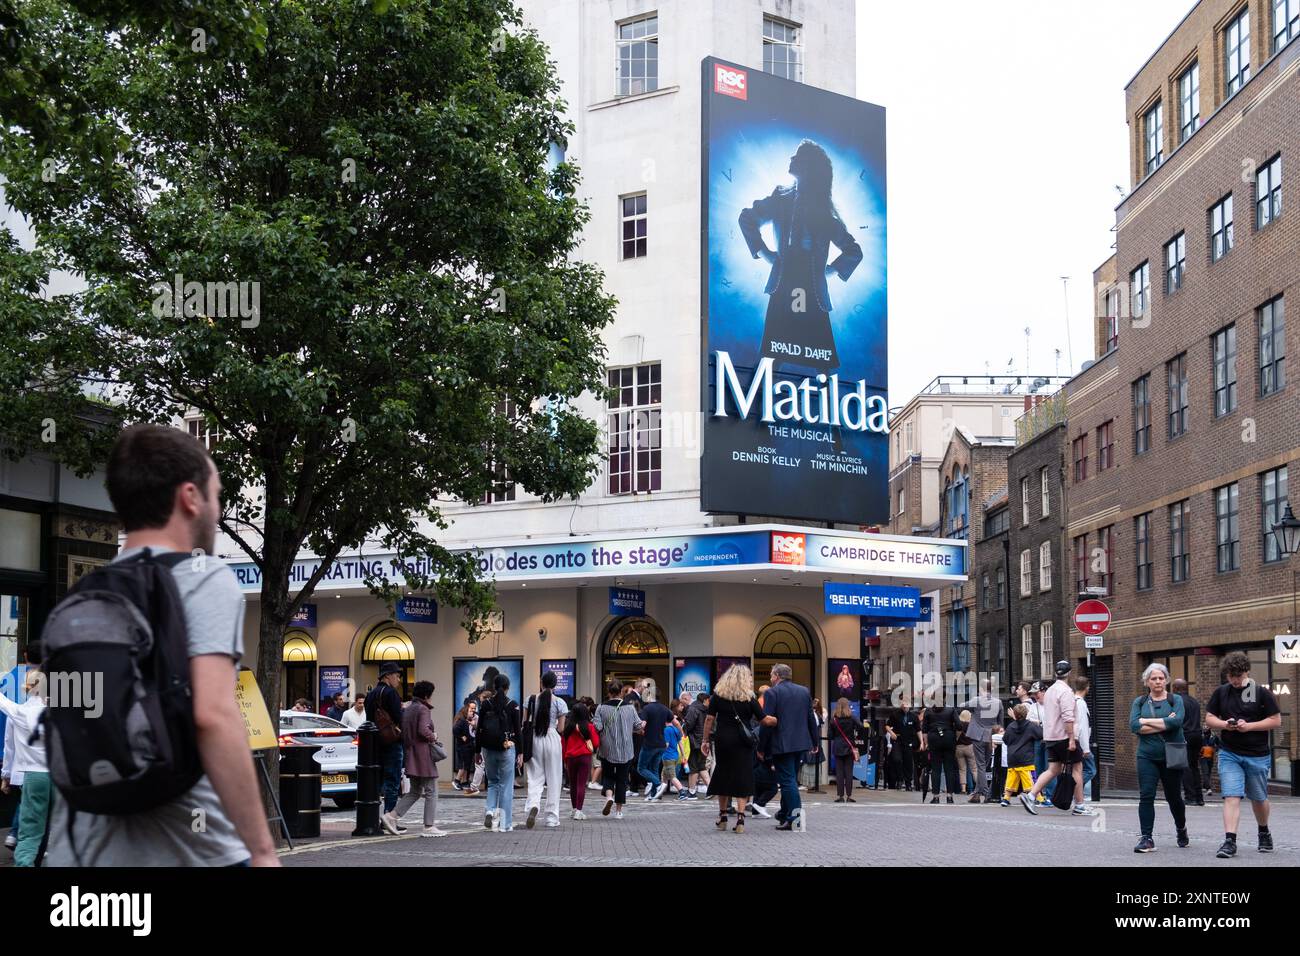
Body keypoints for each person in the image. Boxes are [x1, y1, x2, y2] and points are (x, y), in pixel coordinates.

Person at [45, 424, 277, 867]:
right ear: (190, 498)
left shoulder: (84, 594)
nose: (218, 508)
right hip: (189, 850)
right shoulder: (203, 577)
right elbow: (213, 715)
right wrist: (263, 851)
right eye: (216, 494)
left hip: (78, 852)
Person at [738, 139, 863, 374]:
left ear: (809, 166)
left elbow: (854, 250)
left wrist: (830, 270)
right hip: (784, 280)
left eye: (798, 156)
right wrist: (764, 252)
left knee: (820, 358)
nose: (792, 159)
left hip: (812, 286)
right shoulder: (780, 199)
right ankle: (755, 395)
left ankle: (822, 395)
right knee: (772, 353)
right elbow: (747, 217)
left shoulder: (823, 214)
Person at [1205, 651, 1281, 858]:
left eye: (1238, 676)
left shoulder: (1262, 693)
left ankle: (1264, 831)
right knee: (1231, 795)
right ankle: (1229, 841)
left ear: (1247, 672)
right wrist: (1224, 724)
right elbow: (1209, 718)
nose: (1235, 680)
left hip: (1257, 754)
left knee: (1258, 798)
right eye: (1231, 676)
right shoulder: (1221, 692)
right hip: (1230, 753)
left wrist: (1249, 726)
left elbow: (1276, 720)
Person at [1127, 662, 1188, 853]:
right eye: (1153, 678)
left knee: (1174, 797)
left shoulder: (1175, 700)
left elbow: (1177, 722)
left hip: (1172, 755)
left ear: (1167, 680)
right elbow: (1134, 726)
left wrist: (1146, 721)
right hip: (1147, 756)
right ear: (1147, 682)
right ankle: (1147, 838)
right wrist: (1165, 723)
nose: (1158, 681)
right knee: (1146, 795)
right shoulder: (1139, 702)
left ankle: (1181, 828)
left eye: (1161, 678)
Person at [702, 664, 765, 833]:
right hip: (743, 741)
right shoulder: (749, 698)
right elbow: (763, 719)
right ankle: (741, 819)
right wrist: (778, 720)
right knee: (742, 775)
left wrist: (705, 741)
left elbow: (709, 719)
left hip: (723, 740)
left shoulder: (718, 696)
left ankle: (723, 817)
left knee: (723, 774)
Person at [758, 663, 820, 831]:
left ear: (777, 676)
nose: (770, 678)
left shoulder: (772, 693)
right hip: (800, 743)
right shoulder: (803, 691)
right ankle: (784, 814)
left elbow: (767, 722)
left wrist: (761, 747)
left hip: (781, 744)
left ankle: (795, 818)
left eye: (771, 675)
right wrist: (815, 742)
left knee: (787, 781)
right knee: (790, 779)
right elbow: (810, 718)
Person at [1018, 662, 1085, 817]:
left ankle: (1030, 796)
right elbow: (1068, 717)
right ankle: (1080, 805)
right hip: (1063, 737)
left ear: (1055, 673)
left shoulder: (1050, 692)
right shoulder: (1066, 691)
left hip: (1050, 737)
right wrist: (1072, 739)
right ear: (1069, 673)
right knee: (1077, 768)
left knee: (1053, 769)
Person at [0, 669, 48, 866]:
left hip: (33, 776)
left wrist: (5, 775)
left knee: (29, 832)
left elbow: (9, 747)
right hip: (58, 777)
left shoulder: (19, 712)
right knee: (46, 828)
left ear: (26, 689)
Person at [392, 681, 444, 837]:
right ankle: (429, 826)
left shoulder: (408, 709)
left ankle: (391, 816)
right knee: (431, 790)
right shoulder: (423, 709)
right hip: (423, 755)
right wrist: (433, 736)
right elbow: (423, 730)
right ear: (427, 695)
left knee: (414, 791)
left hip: (411, 753)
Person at [477, 672, 522, 832]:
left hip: (488, 749)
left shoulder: (486, 704)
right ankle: (505, 824)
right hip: (506, 748)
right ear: (507, 688)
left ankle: (490, 811)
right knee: (506, 786)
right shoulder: (512, 705)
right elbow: (518, 730)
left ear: (494, 687)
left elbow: (479, 729)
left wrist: (477, 751)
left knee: (493, 783)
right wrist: (521, 752)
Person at [366, 662, 407, 834]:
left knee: (376, 781)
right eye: (396, 675)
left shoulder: (371, 695)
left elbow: (368, 719)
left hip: (374, 742)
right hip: (391, 741)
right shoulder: (391, 693)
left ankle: (370, 819)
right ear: (387, 676)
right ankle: (389, 819)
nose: (398, 679)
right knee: (392, 781)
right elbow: (398, 717)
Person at [524, 670, 568, 829]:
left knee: (535, 777)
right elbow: (561, 728)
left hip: (535, 738)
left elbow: (525, 723)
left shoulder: (530, 699)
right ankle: (551, 817)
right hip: (552, 738)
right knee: (554, 778)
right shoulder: (560, 702)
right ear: (555, 685)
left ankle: (533, 804)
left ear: (541, 683)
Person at [594, 681, 643, 820]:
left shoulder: (601, 707)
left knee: (608, 775)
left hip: (607, 748)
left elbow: (597, 727)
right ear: (621, 691)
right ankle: (619, 811)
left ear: (608, 692)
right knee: (622, 779)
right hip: (626, 749)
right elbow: (638, 726)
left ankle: (609, 797)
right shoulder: (630, 708)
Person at [960, 678, 1000, 802]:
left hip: (978, 736)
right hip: (991, 737)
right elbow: (1000, 723)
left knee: (981, 766)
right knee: (984, 765)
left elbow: (961, 706)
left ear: (980, 689)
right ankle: (977, 795)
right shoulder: (998, 702)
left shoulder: (976, 700)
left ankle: (987, 794)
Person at [635, 683, 672, 802]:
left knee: (641, 768)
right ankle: (655, 795)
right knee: (654, 769)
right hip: (661, 744)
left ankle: (658, 784)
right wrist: (681, 733)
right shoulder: (665, 708)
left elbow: (643, 724)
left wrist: (637, 730)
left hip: (649, 743)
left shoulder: (647, 709)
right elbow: (673, 721)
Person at [561, 703, 599, 820]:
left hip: (570, 757)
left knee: (573, 785)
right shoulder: (589, 727)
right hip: (584, 757)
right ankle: (579, 810)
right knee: (581, 784)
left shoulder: (568, 728)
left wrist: (564, 759)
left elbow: (563, 745)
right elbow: (596, 743)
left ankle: (574, 809)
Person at [999, 704, 1041, 806]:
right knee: (1031, 780)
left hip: (1012, 758)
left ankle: (1006, 799)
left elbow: (1005, 740)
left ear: (1014, 714)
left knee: (1011, 780)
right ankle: (1040, 798)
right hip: (1026, 758)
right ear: (1026, 714)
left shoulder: (1010, 726)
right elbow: (1040, 735)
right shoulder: (1030, 726)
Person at [919, 698, 960, 804]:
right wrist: (955, 738)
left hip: (934, 739)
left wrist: (926, 743)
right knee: (949, 769)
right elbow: (959, 726)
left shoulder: (928, 711)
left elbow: (924, 730)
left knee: (935, 769)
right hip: (949, 738)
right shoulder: (951, 710)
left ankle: (936, 797)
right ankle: (950, 797)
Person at [1171, 678, 1204, 807]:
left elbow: (1175, 721)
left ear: (1175, 688)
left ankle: (1190, 797)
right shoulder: (1194, 701)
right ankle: (1199, 797)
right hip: (1197, 735)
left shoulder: (1177, 701)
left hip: (1184, 735)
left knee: (1185, 767)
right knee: (1194, 766)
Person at [828, 697, 866, 802]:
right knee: (849, 772)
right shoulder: (852, 717)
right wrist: (855, 735)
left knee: (839, 772)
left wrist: (836, 736)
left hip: (838, 747)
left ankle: (840, 796)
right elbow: (861, 726)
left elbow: (829, 735)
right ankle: (849, 796)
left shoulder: (834, 719)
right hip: (849, 746)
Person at [886, 697, 921, 791]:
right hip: (898, 740)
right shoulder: (895, 715)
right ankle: (899, 779)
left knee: (908, 762)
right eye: (903, 704)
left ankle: (908, 783)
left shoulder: (914, 716)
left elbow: (918, 730)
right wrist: (891, 733)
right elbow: (887, 726)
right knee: (897, 759)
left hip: (909, 741)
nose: (905, 706)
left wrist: (921, 742)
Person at [680, 692, 709, 799]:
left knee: (693, 767)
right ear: (704, 700)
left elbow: (688, 725)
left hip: (694, 742)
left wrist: (683, 732)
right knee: (701, 766)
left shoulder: (693, 709)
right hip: (704, 742)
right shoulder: (706, 710)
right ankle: (711, 789)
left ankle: (692, 792)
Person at [1074, 676, 1097, 804]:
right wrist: (1085, 748)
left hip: (1075, 742)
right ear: (1087, 687)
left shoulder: (1073, 701)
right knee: (1090, 770)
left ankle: (1079, 799)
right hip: (1081, 744)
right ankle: (1073, 788)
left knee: (1078, 770)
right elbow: (1082, 726)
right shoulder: (1080, 703)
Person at [451, 701, 477, 793]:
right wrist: (461, 736)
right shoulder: (461, 720)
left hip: (468, 746)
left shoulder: (467, 720)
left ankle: (465, 782)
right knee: (463, 765)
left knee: (467, 765)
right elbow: (455, 730)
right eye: (470, 711)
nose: (472, 713)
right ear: (466, 712)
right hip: (463, 747)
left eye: (473, 711)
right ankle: (456, 781)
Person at [805, 697, 826, 793]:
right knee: (811, 761)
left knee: (811, 761)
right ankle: (812, 784)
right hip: (814, 739)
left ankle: (812, 784)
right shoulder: (817, 714)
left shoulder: (818, 714)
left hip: (812, 739)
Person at [955, 711, 976, 795]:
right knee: (974, 769)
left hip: (959, 748)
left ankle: (963, 789)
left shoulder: (957, 725)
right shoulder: (971, 725)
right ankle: (979, 788)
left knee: (962, 769)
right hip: (969, 747)